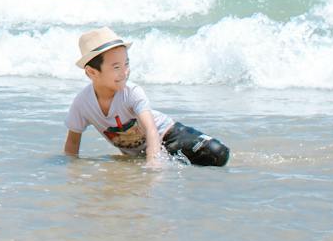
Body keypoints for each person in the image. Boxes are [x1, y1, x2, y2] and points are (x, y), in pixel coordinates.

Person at [62, 27, 230, 166]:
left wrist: (153, 163)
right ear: (92, 72)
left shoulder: (132, 92)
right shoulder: (82, 103)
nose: (125, 72)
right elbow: (72, 144)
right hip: (139, 153)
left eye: (126, 64)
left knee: (217, 154)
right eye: (116, 67)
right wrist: (74, 174)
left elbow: (151, 129)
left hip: (168, 135)